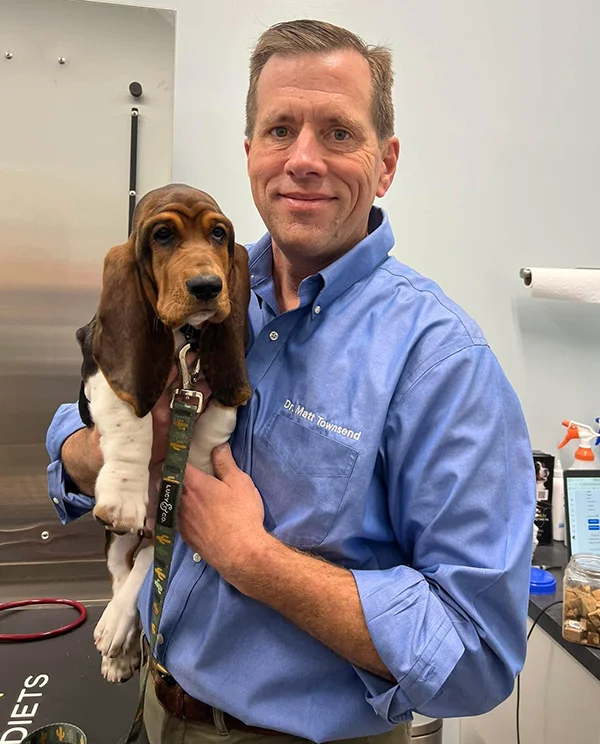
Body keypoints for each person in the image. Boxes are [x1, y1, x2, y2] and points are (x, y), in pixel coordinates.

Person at [46, 18, 536, 744]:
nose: (302, 159)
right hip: (153, 705)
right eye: (279, 130)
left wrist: (255, 559)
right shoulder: (201, 285)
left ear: (387, 161)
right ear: (250, 153)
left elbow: (477, 652)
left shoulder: (443, 362)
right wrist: (103, 455)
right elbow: (74, 425)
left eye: (338, 132)